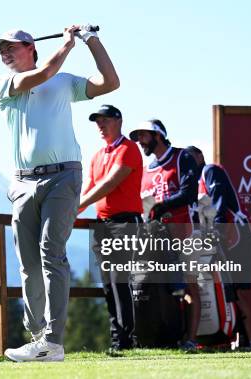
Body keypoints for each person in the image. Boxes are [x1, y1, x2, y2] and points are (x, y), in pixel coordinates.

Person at [0, 25, 119, 362]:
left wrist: (90, 40)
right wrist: (66, 45)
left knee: (52, 253)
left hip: (64, 176)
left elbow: (110, 82)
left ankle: (53, 341)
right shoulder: (5, 84)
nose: (5, 53)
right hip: (22, 184)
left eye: (11, 47)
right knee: (28, 264)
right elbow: (45, 71)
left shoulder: (64, 82)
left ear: (30, 47)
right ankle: (37, 338)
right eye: (2, 49)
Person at [129, 120, 201, 350]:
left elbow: (188, 194)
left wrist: (160, 206)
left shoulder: (182, 157)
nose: (140, 142)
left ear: (157, 135)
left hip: (185, 233)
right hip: (156, 240)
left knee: (190, 286)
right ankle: (170, 335)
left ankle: (190, 339)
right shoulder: (146, 169)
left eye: (143, 136)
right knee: (164, 287)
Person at [78, 104, 143, 352]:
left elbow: (110, 183)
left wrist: (78, 206)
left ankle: (126, 340)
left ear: (118, 121)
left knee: (119, 280)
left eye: (104, 120)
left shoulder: (129, 148)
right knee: (107, 282)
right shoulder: (97, 156)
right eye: (97, 121)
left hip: (124, 223)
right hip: (102, 225)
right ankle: (118, 340)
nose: (100, 125)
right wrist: (72, 211)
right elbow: (90, 187)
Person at [184, 145, 251, 349]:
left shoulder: (210, 170)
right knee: (226, 288)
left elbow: (219, 200)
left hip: (236, 234)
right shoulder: (194, 181)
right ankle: (233, 338)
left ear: (199, 156)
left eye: (190, 156)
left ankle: (249, 340)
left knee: (233, 288)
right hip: (220, 236)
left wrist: (217, 231)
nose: (187, 161)